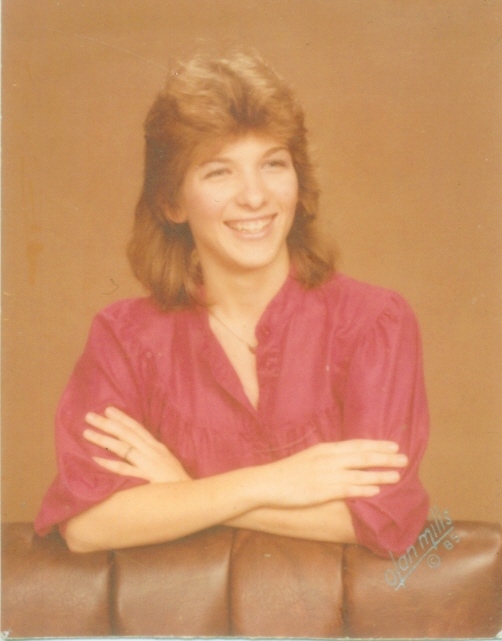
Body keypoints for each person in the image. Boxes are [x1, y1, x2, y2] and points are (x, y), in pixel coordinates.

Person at [35, 51, 429, 557]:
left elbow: (384, 521)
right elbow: (89, 526)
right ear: (171, 203)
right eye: (219, 172)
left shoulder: (375, 322)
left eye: (273, 164)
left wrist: (184, 490)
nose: (255, 197)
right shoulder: (125, 338)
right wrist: (272, 482)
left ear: (299, 182)